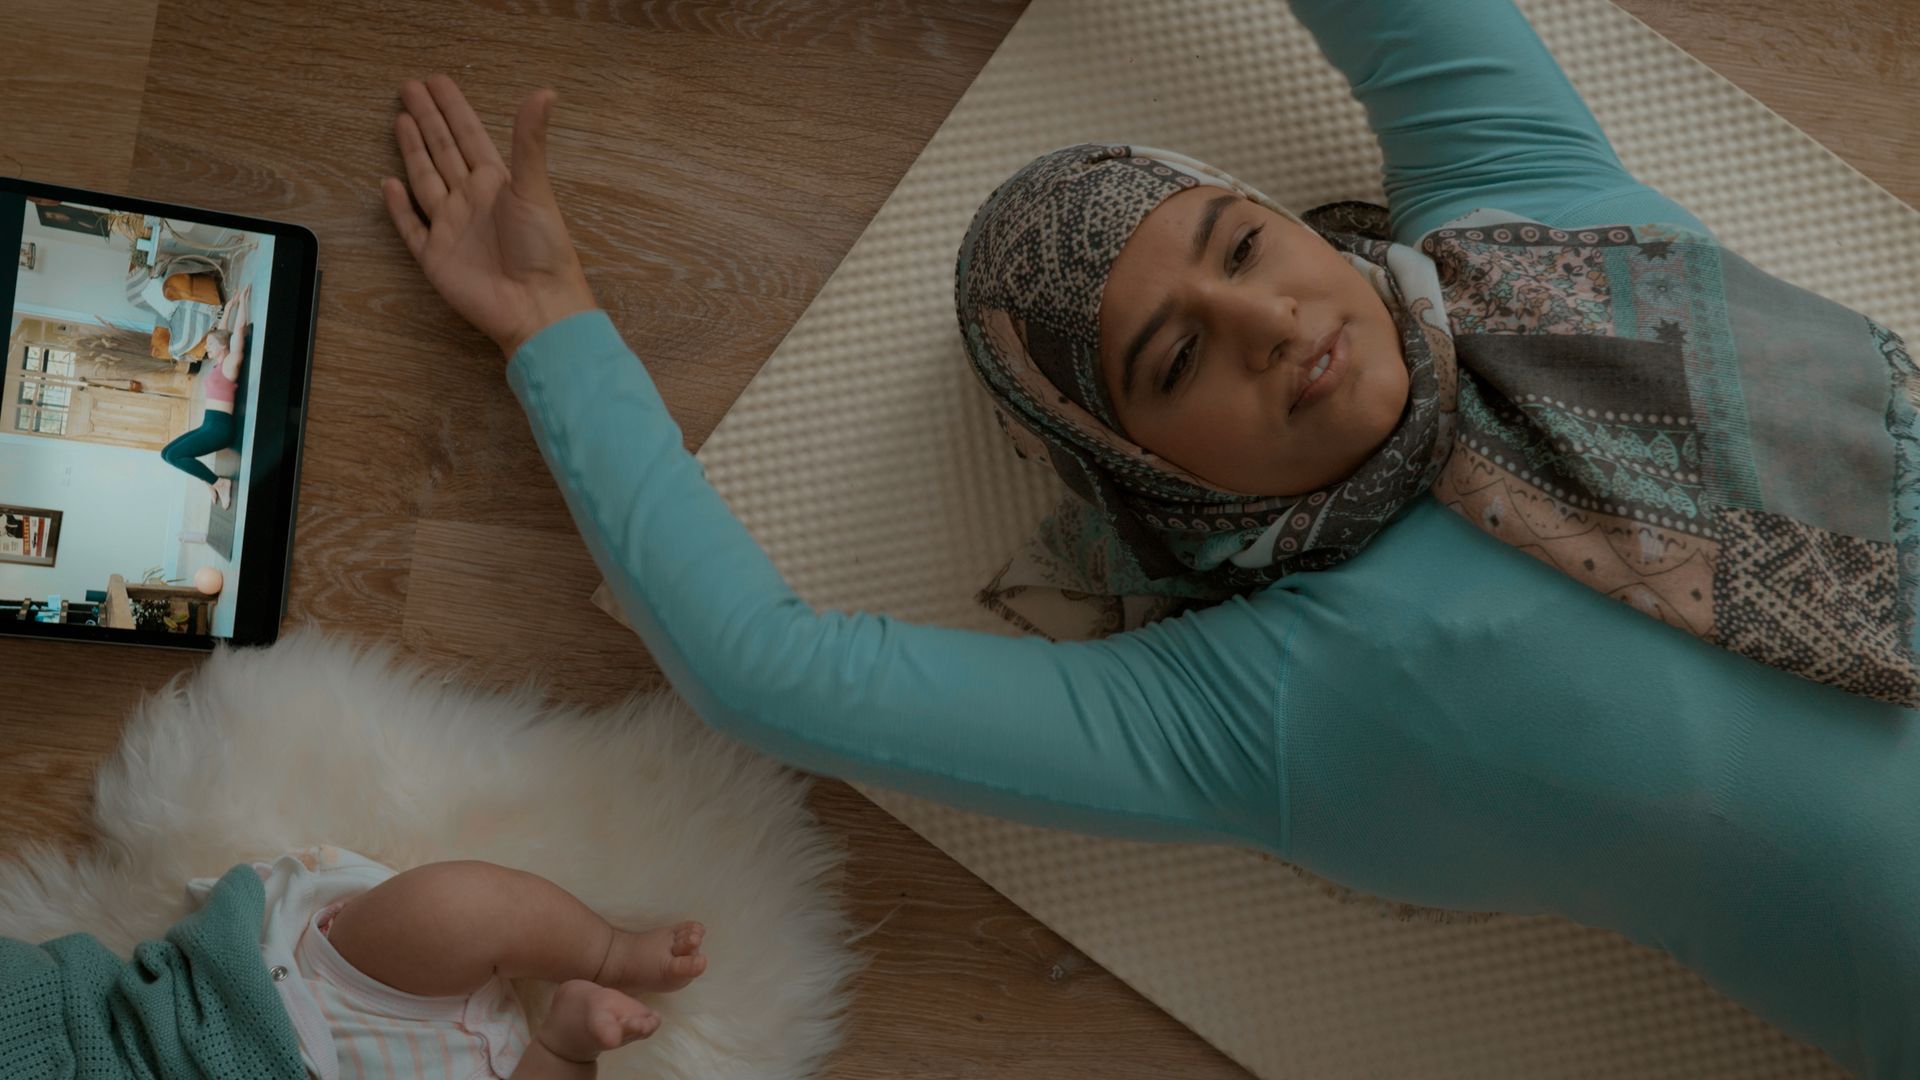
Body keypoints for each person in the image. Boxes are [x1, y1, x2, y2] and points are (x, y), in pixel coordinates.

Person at [379, 1, 1920, 1074]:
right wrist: (554, 327)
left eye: (1241, 245)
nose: (1267, 320)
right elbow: (766, 673)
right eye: (1174, 365)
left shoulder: (1528, 210)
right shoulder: (1254, 706)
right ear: (1145, 477)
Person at [0, 847, 708, 1079]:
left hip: (265, 997)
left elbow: (53, 996)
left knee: (454, 909)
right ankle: (564, 1043)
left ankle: (606, 948)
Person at [158, 283, 253, 509]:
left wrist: (243, 304)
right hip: (208, 425)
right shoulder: (217, 363)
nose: (206, 350)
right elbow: (221, 333)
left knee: (175, 457)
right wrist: (228, 308)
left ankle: (219, 483)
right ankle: (210, 482)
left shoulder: (230, 364)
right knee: (165, 454)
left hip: (220, 429)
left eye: (210, 346)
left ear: (222, 347)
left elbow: (237, 332)